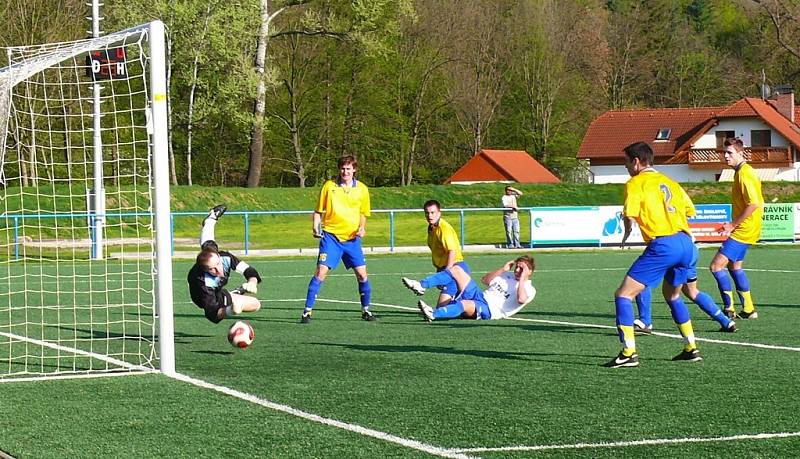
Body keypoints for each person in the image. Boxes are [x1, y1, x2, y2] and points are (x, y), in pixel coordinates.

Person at [607, 141, 702, 368]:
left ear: (637, 162)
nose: (626, 168)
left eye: (626, 163)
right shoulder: (670, 182)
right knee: (673, 296)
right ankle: (691, 347)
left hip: (663, 244)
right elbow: (690, 210)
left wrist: (627, 233)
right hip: (686, 243)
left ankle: (629, 352)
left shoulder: (635, 182)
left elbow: (630, 213)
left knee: (623, 295)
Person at [301, 155, 375, 324]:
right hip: (331, 237)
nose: (345, 172)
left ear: (354, 170)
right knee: (321, 272)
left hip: (352, 239)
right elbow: (319, 211)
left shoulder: (362, 189)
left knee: (362, 275)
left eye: (348, 169)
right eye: (342, 168)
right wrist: (315, 226)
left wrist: (362, 228)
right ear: (339, 169)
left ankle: (366, 310)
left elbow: (363, 213)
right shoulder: (329, 186)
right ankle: (307, 312)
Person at [709, 137, 764, 320]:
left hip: (744, 229)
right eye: (724, 152)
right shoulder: (740, 172)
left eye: (730, 153)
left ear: (741, 153)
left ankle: (729, 308)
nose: (726, 156)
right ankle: (748, 309)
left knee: (716, 266)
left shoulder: (745, 174)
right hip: (748, 228)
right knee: (734, 266)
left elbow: (753, 204)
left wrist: (733, 225)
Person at [187, 205, 262, 323]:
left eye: (218, 263)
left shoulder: (224, 258)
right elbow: (212, 314)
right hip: (204, 297)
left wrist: (252, 282)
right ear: (206, 270)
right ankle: (233, 295)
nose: (219, 270)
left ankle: (210, 220)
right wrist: (230, 311)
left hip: (218, 287)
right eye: (213, 269)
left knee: (256, 305)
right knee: (219, 307)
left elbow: (249, 270)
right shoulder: (204, 284)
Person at [403, 256, 535, 322]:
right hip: (479, 295)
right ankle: (422, 285)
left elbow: (521, 299)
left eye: (521, 268)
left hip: (490, 309)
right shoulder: (507, 275)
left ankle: (434, 314)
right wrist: (503, 269)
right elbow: (485, 280)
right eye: (517, 267)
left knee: (464, 304)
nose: (517, 270)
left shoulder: (529, 288)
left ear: (529, 271)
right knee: (457, 270)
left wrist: (523, 278)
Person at [401, 200, 471, 307]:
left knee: (441, 309)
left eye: (433, 212)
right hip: (447, 267)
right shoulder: (432, 228)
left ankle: (421, 285)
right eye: (427, 213)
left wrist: (446, 273)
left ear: (439, 213)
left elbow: (452, 251)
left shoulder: (444, 228)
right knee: (445, 307)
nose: (429, 216)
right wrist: (440, 272)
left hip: (457, 268)